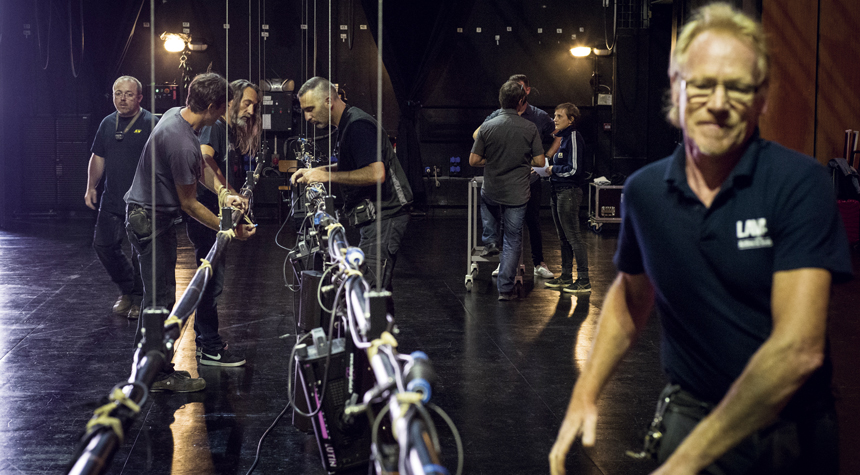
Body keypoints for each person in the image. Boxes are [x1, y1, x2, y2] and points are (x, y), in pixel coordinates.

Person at [549, 3, 853, 474]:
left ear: (762, 98)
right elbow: (631, 298)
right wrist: (585, 392)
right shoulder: (646, 193)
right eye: (704, 84)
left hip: (788, 428)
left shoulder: (799, 184)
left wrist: (686, 461)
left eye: (737, 87)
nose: (717, 102)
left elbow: (798, 349)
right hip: (690, 412)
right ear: (676, 89)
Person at [124, 72, 256, 392]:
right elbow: (190, 203)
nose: (227, 109)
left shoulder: (176, 116)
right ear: (212, 106)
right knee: (160, 300)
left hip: (154, 218)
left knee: (162, 297)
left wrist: (225, 194)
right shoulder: (182, 141)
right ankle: (153, 375)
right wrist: (230, 229)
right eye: (224, 105)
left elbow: (198, 171)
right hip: (149, 220)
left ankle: (158, 367)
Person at [291, 77, 412, 299]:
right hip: (376, 219)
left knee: (367, 293)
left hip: (385, 217)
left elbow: (376, 173)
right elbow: (354, 164)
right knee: (374, 291)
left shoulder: (358, 125)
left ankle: (373, 333)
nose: (307, 117)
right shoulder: (347, 123)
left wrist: (326, 176)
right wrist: (317, 171)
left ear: (328, 101)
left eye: (310, 109)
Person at [192, 79, 261, 367]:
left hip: (215, 214)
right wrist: (229, 195)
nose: (250, 110)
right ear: (229, 102)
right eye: (246, 103)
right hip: (206, 214)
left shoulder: (225, 130)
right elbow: (204, 162)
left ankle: (208, 342)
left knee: (212, 280)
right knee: (210, 281)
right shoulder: (216, 126)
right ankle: (208, 346)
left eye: (255, 106)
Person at [85, 76, 157, 320]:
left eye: (128, 94)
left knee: (140, 252)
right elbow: (98, 156)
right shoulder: (107, 123)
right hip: (112, 198)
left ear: (139, 97)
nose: (122, 99)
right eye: (118, 93)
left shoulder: (151, 123)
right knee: (103, 245)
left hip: (142, 201)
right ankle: (127, 290)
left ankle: (138, 299)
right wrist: (91, 186)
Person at [473, 74, 558, 279]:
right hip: (508, 180)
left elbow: (559, 137)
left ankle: (538, 262)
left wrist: (546, 158)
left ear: (526, 91)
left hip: (530, 178)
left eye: (519, 88)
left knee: (532, 220)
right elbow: (478, 134)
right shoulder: (498, 115)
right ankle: (506, 264)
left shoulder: (537, 116)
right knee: (507, 222)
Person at [544, 103, 590, 293]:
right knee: (563, 237)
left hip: (568, 192)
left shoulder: (573, 137)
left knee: (573, 237)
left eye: (559, 116)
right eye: (554, 115)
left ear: (571, 119)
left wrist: (553, 169)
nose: (554, 119)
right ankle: (565, 276)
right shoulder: (562, 138)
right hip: (557, 191)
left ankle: (584, 279)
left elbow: (574, 169)